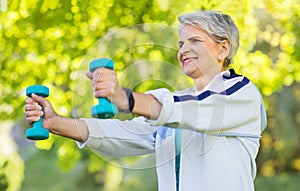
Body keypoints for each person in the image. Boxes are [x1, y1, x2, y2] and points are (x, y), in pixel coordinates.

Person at [25, 10, 267, 191]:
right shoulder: (175, 102)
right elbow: (125, 133)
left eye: (195, 41)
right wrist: (54, 122)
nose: (183, 50)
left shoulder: (241, 94)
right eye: (181, 43)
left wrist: (124, 98)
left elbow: (193, 111)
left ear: (222, 49)